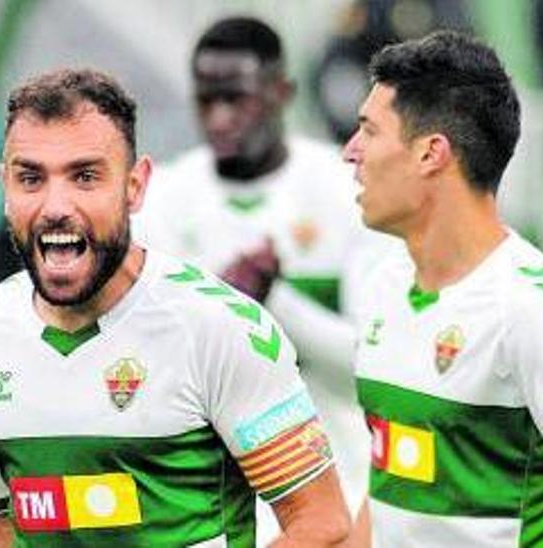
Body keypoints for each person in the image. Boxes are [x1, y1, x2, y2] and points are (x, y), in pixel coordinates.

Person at [0, 68, 352, 547]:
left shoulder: (217, 326)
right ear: (5, 188)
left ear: (135, 186)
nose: (56, 205)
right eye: (30, 178)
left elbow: (320, 521)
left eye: (85, 176)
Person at [342, 31, 543, 546]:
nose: (350, 152)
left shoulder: (533, 309)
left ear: (431, 153)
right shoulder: (383, 285)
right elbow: (386, 499)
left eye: (369, 131)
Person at [136, 16, 393, 544]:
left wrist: (276, 302)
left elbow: (376, 372)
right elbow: (145, 368)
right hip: (205, 500)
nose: (220, 118)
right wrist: (226, 310)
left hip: (336, 488)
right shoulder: (162, 199)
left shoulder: (350, 190)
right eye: (207, 101)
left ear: (281, 93)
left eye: (238, 99)